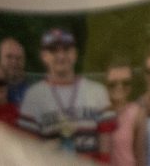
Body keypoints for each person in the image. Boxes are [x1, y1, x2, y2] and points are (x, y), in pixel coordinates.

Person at [16, 26, 112, 156]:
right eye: (54, 50)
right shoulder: (33, 96)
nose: (61, 55)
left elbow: (106, 147)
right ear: (44, 56)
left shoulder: (98, 91)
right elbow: (27, 149)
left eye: (66, 49)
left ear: (75, 54)